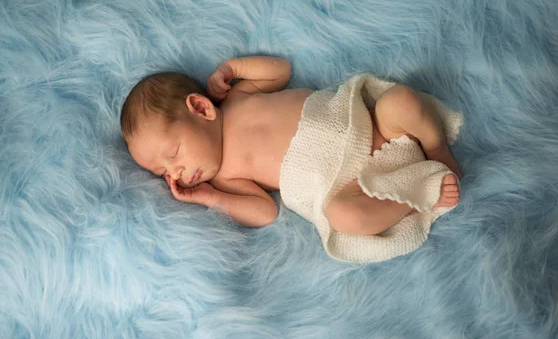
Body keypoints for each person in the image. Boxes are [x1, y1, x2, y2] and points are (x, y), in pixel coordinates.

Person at [120, 56, 461, 237]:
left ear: (200, 108)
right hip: (359, 184)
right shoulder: (226, 178)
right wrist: (211, 197)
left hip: (373, 126)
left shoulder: (238, 97)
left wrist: (232, 68)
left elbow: (279, 70)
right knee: (343, 217)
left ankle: (437, 151)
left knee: (399, 100)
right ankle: (417, 195)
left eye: (173, 155)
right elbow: (265, 213)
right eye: (163, 172)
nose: (176, 173)